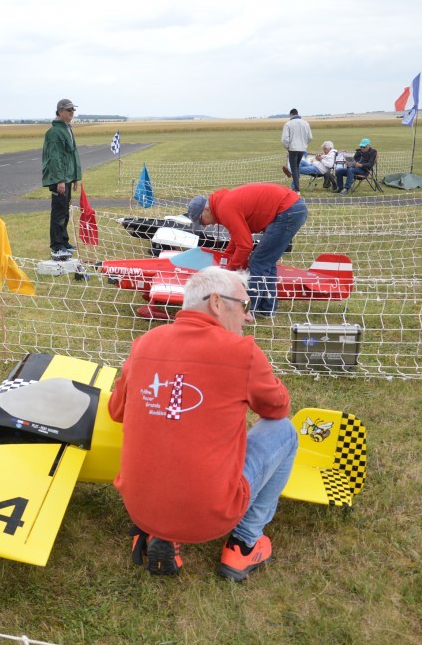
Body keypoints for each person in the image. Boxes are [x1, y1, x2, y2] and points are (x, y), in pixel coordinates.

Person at [109, 267, 298, 580]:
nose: (248, 318)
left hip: (139, 508)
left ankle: (160, 530)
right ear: (216, 302)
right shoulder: (243, 352)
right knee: (285, 432)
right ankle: (245, 544)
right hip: (210, 515)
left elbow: (117, 411)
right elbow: (278, 408)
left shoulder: (143, 344)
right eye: (244, 306)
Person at [186, 183, 308, 317]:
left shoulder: (224, 208)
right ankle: (267, 309)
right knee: (266, 261)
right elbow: (238, 236)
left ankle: (247, 312)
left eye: (201, 221)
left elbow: (245, 246)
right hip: (291, 207)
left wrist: (230, 269)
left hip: (287, 211)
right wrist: (227, 256)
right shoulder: (223, 204)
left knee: (257, 262)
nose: (206, 225)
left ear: (206, 210)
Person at [41, 98, 82, 258]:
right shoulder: (55, 132)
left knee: (65, 211)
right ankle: (56, 247)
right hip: (59, 180)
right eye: (69, 110)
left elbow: (71, 156)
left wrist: (74, 178)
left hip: (67, 178)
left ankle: (64, 241)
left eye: (73, 110)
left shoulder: (66, 129)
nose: (72, 112)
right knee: (59, 212)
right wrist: (60, 180)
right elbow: (55, 158)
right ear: (60, 112)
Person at [280, 109, 312, 193]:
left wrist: (288, 147)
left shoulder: (288, 124)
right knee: (297, 167)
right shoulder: (306, 123)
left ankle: (297, 189)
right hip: (302, 149)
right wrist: (304, 145)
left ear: (291, 115)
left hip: (292, 149)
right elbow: (310, 138)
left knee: (294, 168)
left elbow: (285, 139)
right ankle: (295, 187)